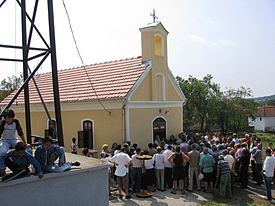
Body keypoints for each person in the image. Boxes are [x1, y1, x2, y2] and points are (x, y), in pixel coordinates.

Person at [0, 109, 27, 176]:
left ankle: (22, 165)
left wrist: (24, 143)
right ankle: (2, 169)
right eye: (5, 118)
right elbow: (0, 133)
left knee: (22, 149)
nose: (7, 120)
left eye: (9, 118)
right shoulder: (3, 123)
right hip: (5, 140)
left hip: (14, 140)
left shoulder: (16, 122)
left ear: (12, 117)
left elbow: (20, 132)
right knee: (2, 153)